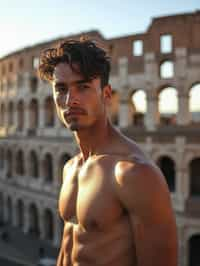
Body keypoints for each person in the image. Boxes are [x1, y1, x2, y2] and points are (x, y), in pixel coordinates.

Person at [39, 38, 178, 266]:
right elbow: (67, 250)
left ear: (106, 94)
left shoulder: (133, 173)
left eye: (83, 87)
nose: (70, 100)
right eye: (61, 89)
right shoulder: (71, 167)